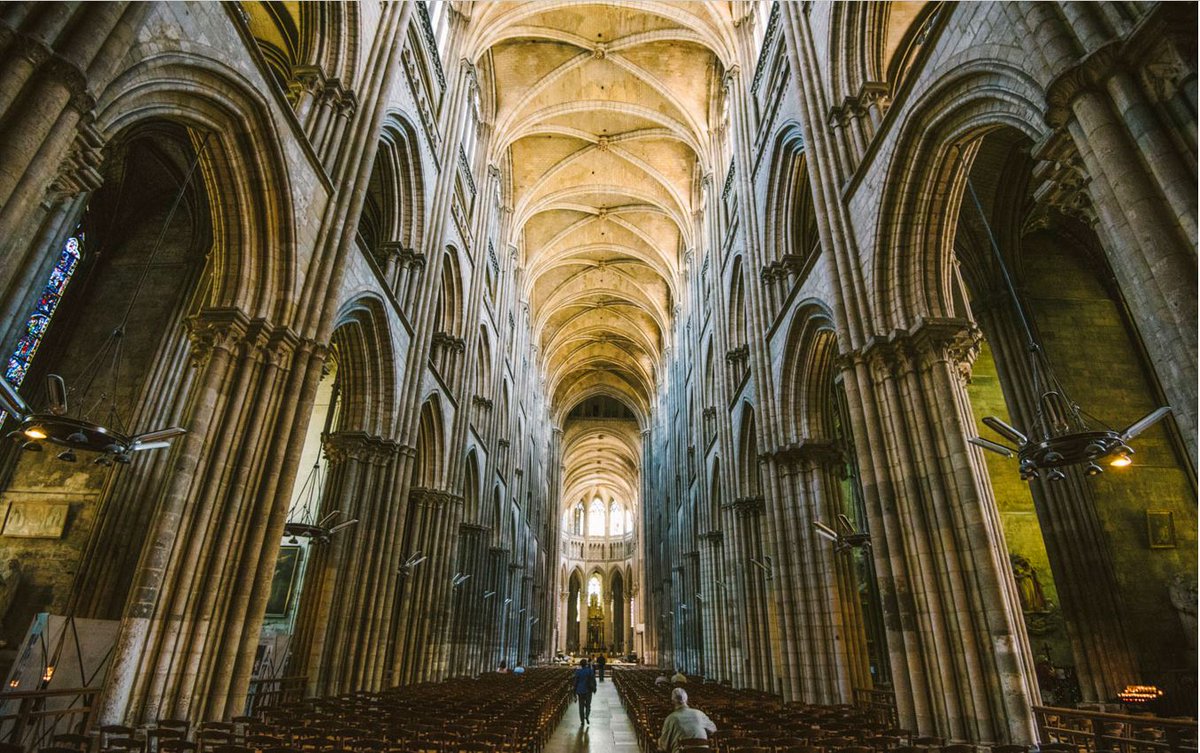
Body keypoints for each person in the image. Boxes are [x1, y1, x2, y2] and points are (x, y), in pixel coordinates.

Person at [657, 687, 716, 752]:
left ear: (672, 702)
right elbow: (713, 729)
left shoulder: (670, 718)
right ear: (687, 700)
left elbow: (663, 746)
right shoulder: (699, 713)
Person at [573, 658, 597, 725]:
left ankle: (582, 721)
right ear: (586, 664)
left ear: (580, 664)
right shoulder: (590, 671)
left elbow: (576, 682)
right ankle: (587, 715)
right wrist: (594, 688)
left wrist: (574, 691)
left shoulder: (578, 671)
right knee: (588, 705)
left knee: (581, 706)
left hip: (580, 690)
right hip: (588, 690)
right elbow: (593, 680)